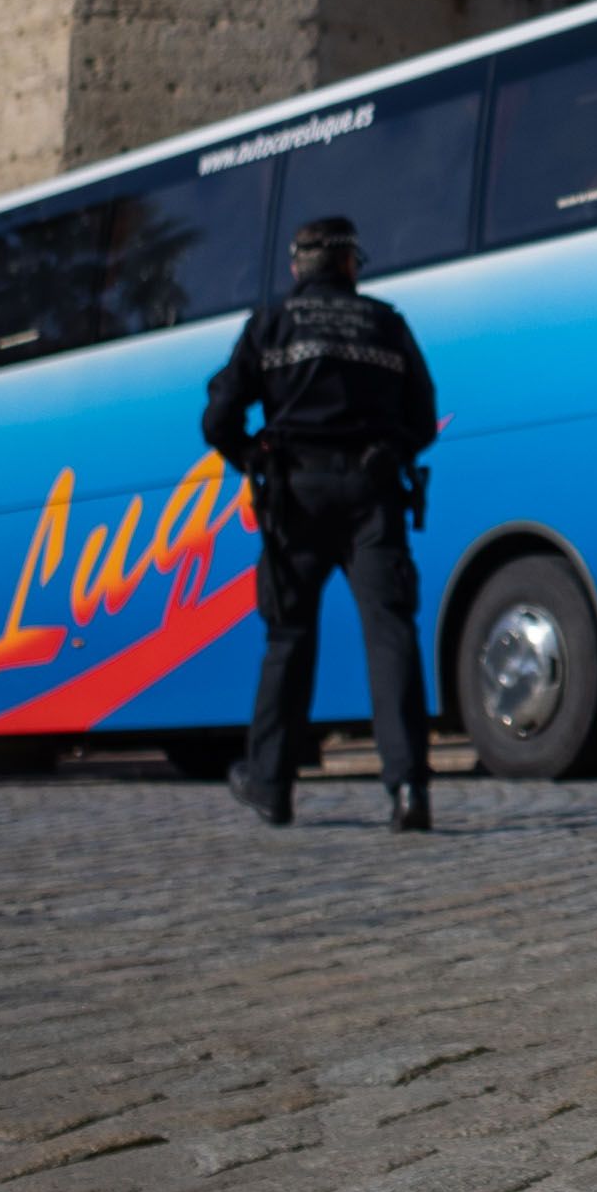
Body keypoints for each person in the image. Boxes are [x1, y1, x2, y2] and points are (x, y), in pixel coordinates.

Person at [202, 214, 439, 828]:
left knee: (288, 638)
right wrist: (392, 451)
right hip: (372, 492)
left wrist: (252, 455)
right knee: (390, 635)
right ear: (349, 264)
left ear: (298, 266)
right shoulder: (387, 324)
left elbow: (218, 418)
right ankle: (409, 790)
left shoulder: (270, 324)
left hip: (294, 495)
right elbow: (424, 414)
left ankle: (272, 785)